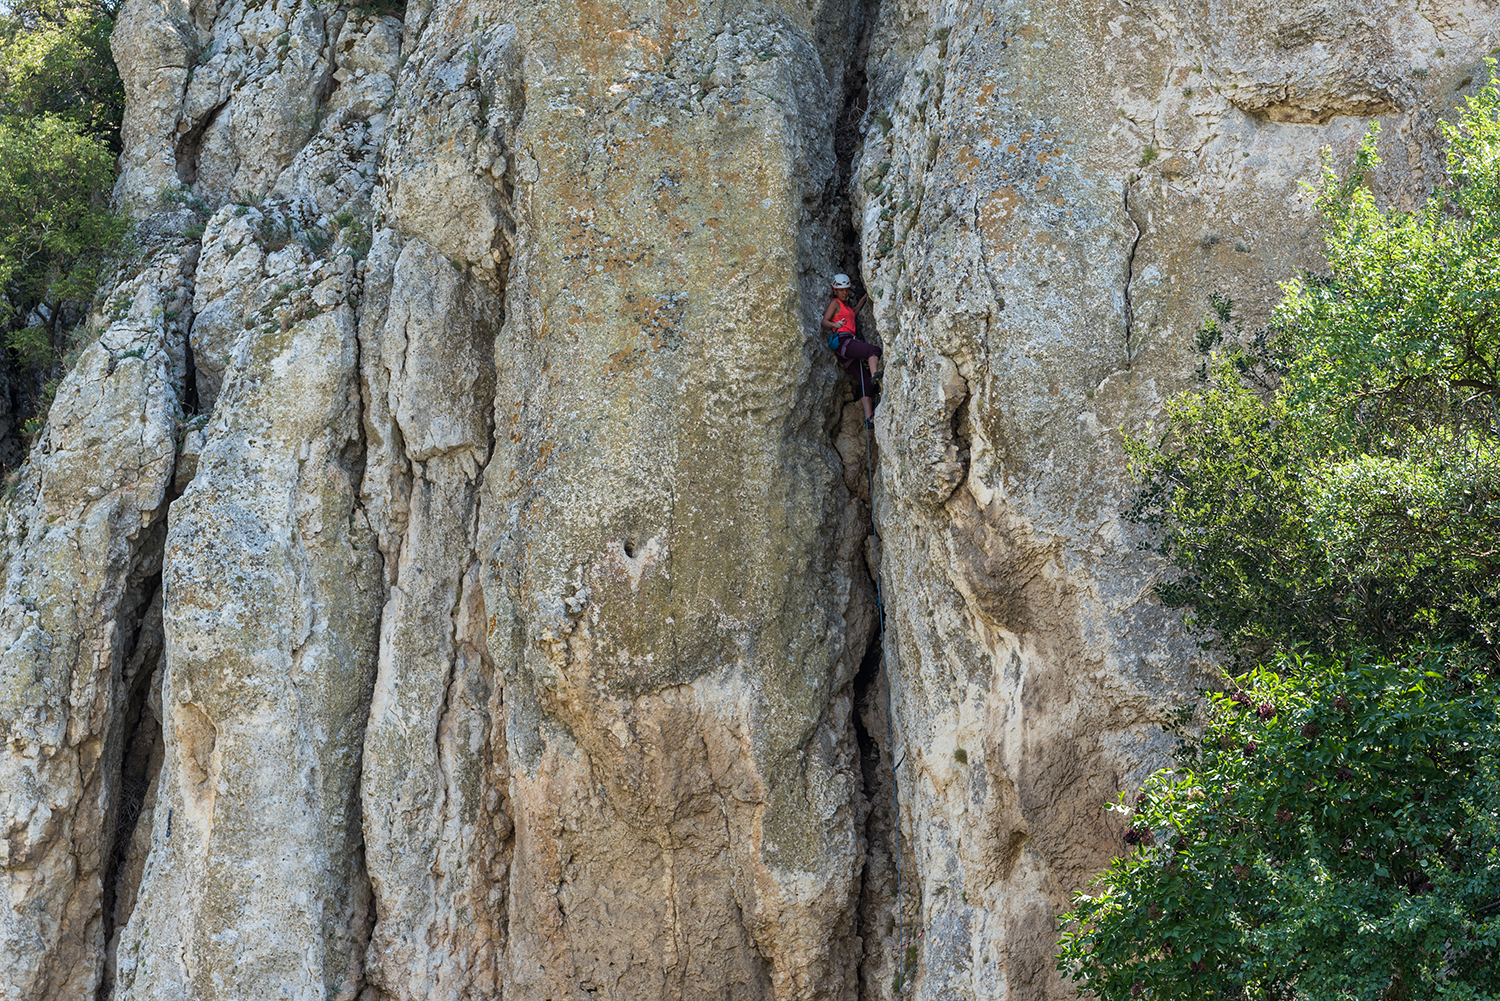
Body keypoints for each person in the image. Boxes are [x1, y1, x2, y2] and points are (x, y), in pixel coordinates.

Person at [821, 273, 883, 427]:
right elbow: (824, 321)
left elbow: (853, 314)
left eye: (846, 290)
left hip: (846, 350)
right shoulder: (835, 303)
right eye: (841, 290)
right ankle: (875, 374)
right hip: (844, 342)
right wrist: (835, 325)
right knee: (873, 350)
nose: (845, 293)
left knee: (865, 383)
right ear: (834, 290)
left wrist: (864, 298)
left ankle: (869, 419)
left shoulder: (846, 306)